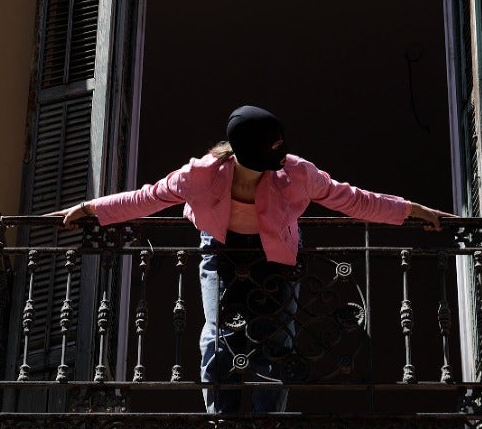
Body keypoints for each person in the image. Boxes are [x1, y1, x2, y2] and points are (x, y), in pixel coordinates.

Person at [51, 105, 451, 413]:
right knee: (215, 336)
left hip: (276, 257)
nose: (275, 166)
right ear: (242, 155)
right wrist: (91, 209)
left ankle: (267, 427)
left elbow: (353, 199)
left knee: (274, 342)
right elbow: (147, 197)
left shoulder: (296, 173)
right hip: (220, 252)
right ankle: (222, 422)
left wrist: (409, 211)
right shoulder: (201, 175)